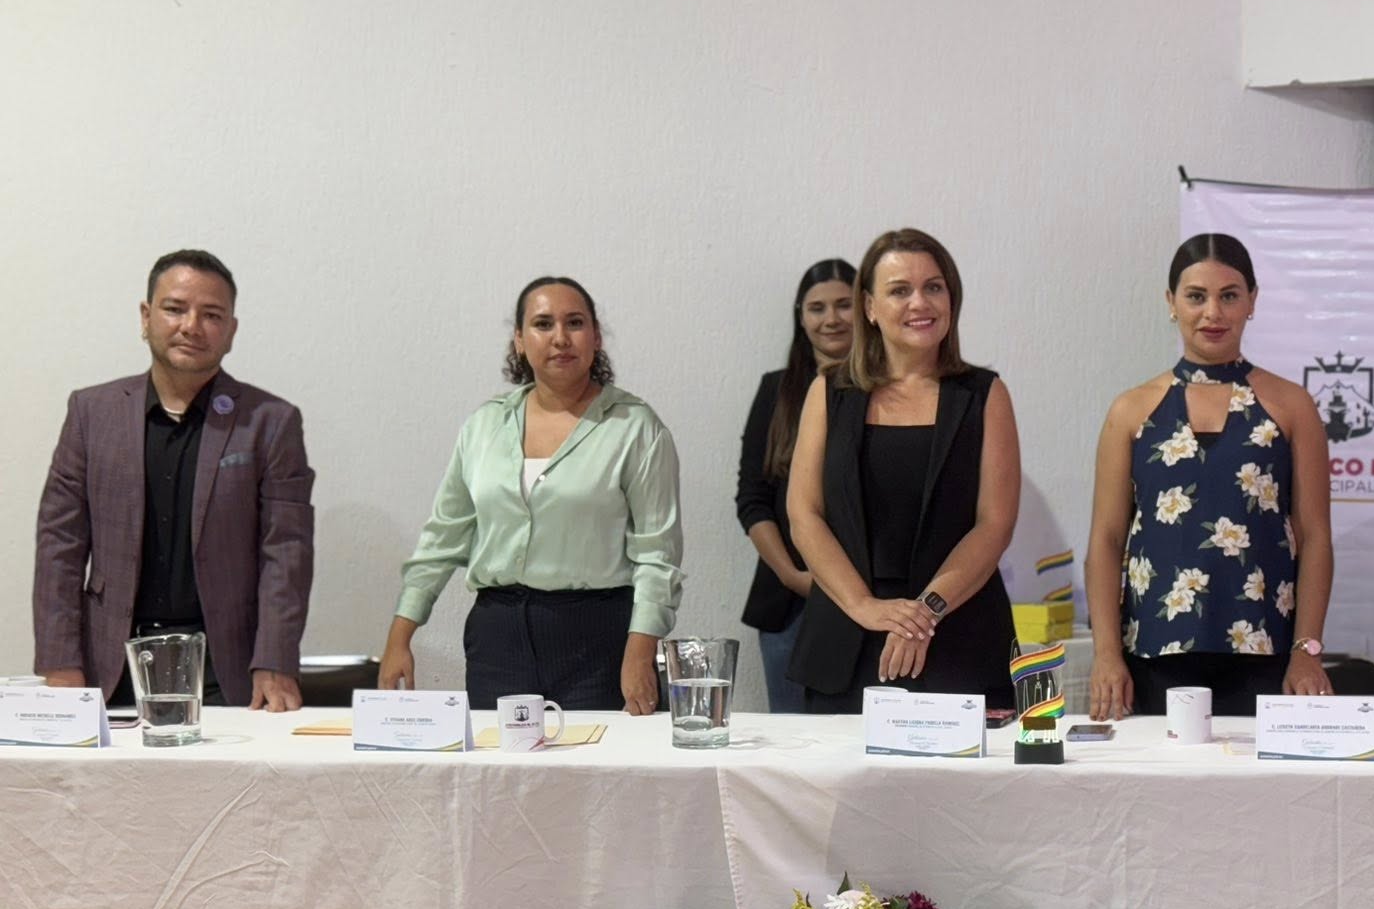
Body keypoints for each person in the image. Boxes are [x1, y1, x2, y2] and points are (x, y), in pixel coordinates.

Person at [379, 276, 682, 714]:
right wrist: (400, 636)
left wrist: (639, 652)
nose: (560, 338)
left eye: (574, 323)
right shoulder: (484, 426)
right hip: (497, 639)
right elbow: (441, 539)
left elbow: (658, 554)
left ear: (596, 337)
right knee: (497, 759)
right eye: (542, 324)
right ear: (519, 341)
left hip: (598, 640)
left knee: (599, 758)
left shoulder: (635, 427)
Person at [33, 249, 315, 710]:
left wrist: (275, 659)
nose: (191, 326)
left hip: (228, 667)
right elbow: (59, 544)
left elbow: (286, 552)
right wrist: (61, 660)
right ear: (146, 317)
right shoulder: (91, 413)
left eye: (211, 315)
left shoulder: (270, 422)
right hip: (109, 664)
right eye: (175, 308)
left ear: (231, 331)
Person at [1085, 233, 1333, 718]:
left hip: (1266, 649)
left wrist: (1307, 650)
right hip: (1154, 651)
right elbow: (1107, 539)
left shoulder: (1291, 406)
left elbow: (1315, 536)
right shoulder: (1131, 410)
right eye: (1196, 296)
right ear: (1171, 302)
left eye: (1229, 296)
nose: (1213, 313)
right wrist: (1106, 654)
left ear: (1252, 301)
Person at [785, 229, 1020, 712]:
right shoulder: (829, 392)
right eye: (899, 290)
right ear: (869, 307)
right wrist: (864, 606)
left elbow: (994, 524)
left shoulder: (985, 395)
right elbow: (804, 515)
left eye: (933, 287)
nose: (920, 302)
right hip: (847, 641)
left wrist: (924, 614)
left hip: (958, 638)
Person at [736, 259, 856, 712]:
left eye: (844, 304)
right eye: (817, 308)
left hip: (866, 596)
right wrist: (791, 575)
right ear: (800, 317)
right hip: (789, 601)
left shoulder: (888, 391)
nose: (831, 319)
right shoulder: (777, 390)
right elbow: (752, 498)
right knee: (793, 738)